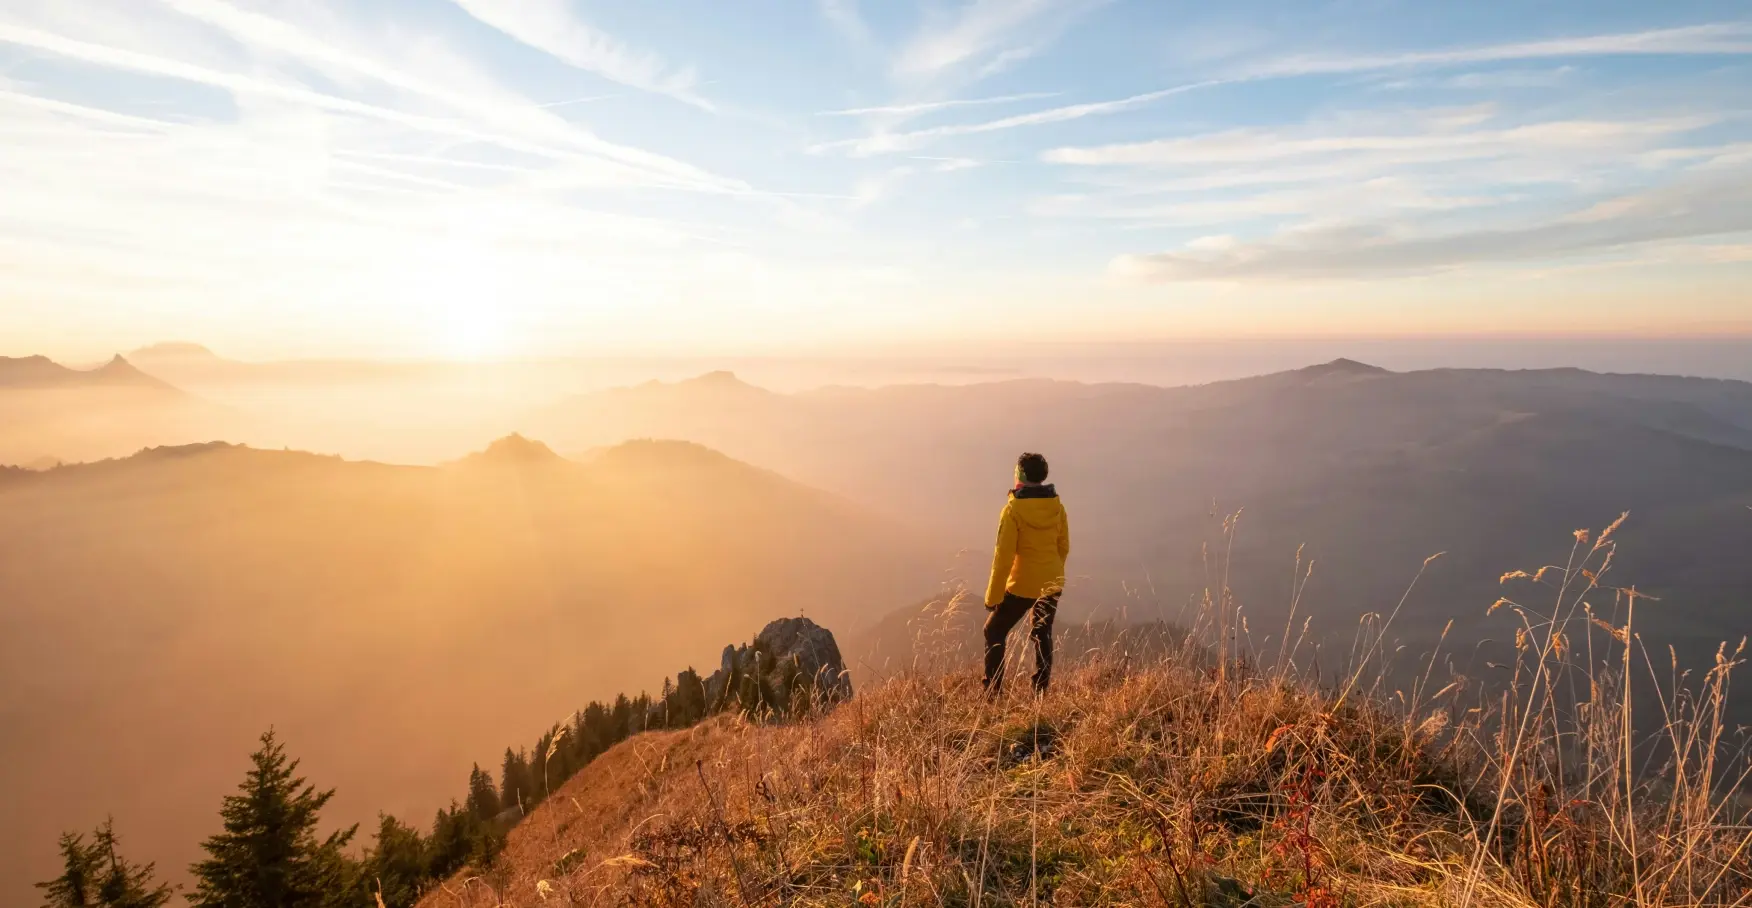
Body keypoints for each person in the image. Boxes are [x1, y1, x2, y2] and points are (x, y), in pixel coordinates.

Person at [982, 452, 1070, 695]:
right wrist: (1051, 571)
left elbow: (1002, 559)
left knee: (994, 630)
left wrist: (993, 598)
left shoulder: (1012, 511)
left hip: (1021, 584)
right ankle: (1040, 691)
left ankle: (993, 692)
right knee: (1042, 633)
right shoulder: (1057, 507)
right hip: (1051, 581)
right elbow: (1063, 547)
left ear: (1019, 475)